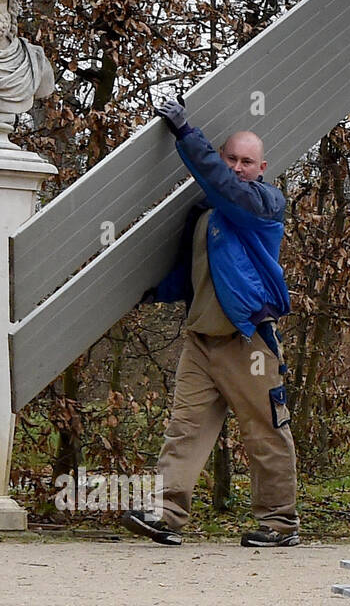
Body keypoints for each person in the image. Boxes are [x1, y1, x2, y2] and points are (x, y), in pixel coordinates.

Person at [121, 96, 299, 549]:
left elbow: (225, 188)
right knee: (184, 428)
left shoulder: (262, 204)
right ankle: (165, 513)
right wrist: (153, 291)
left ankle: (279, 523)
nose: (238, 168)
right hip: (201, 340)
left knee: (265, 430)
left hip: (248, 341)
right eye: (231, 159)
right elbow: (190, 271)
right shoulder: (204, 214)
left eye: (247, 161)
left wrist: (185, 131)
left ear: (261, 167)